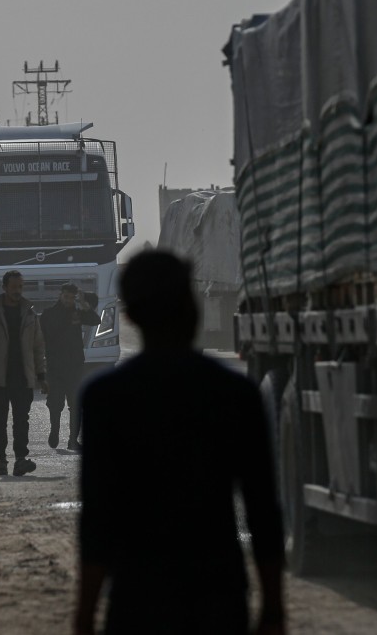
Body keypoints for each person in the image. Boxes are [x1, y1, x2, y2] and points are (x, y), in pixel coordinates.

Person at [75, 252, 284, 635]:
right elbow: (263, 510)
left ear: (131, 316)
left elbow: (98, 519)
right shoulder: (234, 393)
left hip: (137, 599)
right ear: (191, 308)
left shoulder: (107, 398)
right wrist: (273, 610)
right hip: (218, 596)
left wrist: (85, 615)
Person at [0, 271, 47, 476]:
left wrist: (41, 376)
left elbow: (38, 347)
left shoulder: (30, 315)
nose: (17, 291)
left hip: (22, 378)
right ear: (4, 288)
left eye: (20, 287)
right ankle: (1, 460)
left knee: (22, 421)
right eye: (13, 287)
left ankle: (20, 460)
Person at [39, 283, 100, 451]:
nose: (69, 300)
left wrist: (84, 305)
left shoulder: (78, 313)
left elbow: (96, 320)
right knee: (55, 403)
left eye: (72, 298)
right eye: (66, 296)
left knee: (76, 404)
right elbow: (40, 338)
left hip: (75, 366)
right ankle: (54, 431)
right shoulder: (48, 314)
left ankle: (73, 440)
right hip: (55, 367)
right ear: (60, 295)